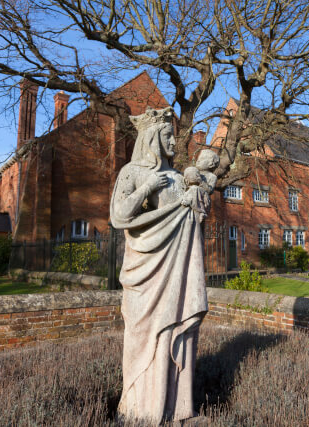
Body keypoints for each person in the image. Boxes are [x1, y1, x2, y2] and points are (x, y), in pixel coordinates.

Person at [110, 107, 210, 423]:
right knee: (141, 339)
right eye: (167, 135)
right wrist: (147, 188)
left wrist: (198, 198)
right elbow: (120, 217)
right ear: (152, 137)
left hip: (175, 272)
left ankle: (174, 407)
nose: (173, 142)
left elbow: (191, 220)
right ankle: (139, 408)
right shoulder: (132, 172)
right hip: (144, 272)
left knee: (175, 331)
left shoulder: (179, 178)